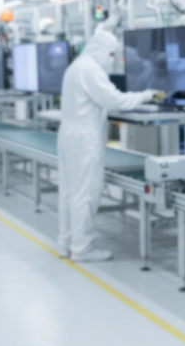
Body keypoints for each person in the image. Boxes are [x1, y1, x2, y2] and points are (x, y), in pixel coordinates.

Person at [58, 30, 158, 261]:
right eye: (111, 53)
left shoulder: (76, 66)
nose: (112, 59)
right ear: (101, 49)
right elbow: (114, 100)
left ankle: (66, 243)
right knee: (85, 193)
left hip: (69, 133)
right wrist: (144, 96)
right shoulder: (90, 69)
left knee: (69, 191)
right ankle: (82, 249)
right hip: (84, 137)